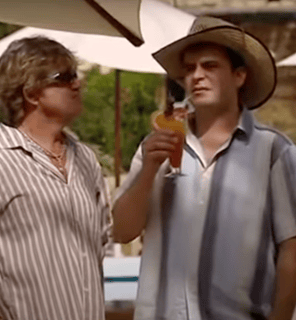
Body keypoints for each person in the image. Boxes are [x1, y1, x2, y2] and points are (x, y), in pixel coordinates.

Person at [113, 16, 296, 320]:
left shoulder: (274, 152)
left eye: (209, 66)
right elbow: (121, 232)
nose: (196, 76)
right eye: (189, 69)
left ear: (239, 76)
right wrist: (148, 171)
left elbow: (291, 250)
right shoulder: (157, 145)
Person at [0, 36, 111, 320]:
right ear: (31, 93)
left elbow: (101, 244)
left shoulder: (85, 160)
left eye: (76, 75)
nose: (77, 84)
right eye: (65, 77)